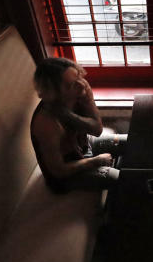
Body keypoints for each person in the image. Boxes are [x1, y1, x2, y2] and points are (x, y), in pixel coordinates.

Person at [30, 57, 126, 193]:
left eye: (78, 76)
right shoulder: (46, 123)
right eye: (71, 85)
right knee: (120, 179)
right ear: (54, 93)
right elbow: (59, 171)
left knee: (131, 141)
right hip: (66, 175)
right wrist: (95, 161)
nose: (81, 84)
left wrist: (87, 101)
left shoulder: (81, 90)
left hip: (83, 146)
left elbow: (97, 130)